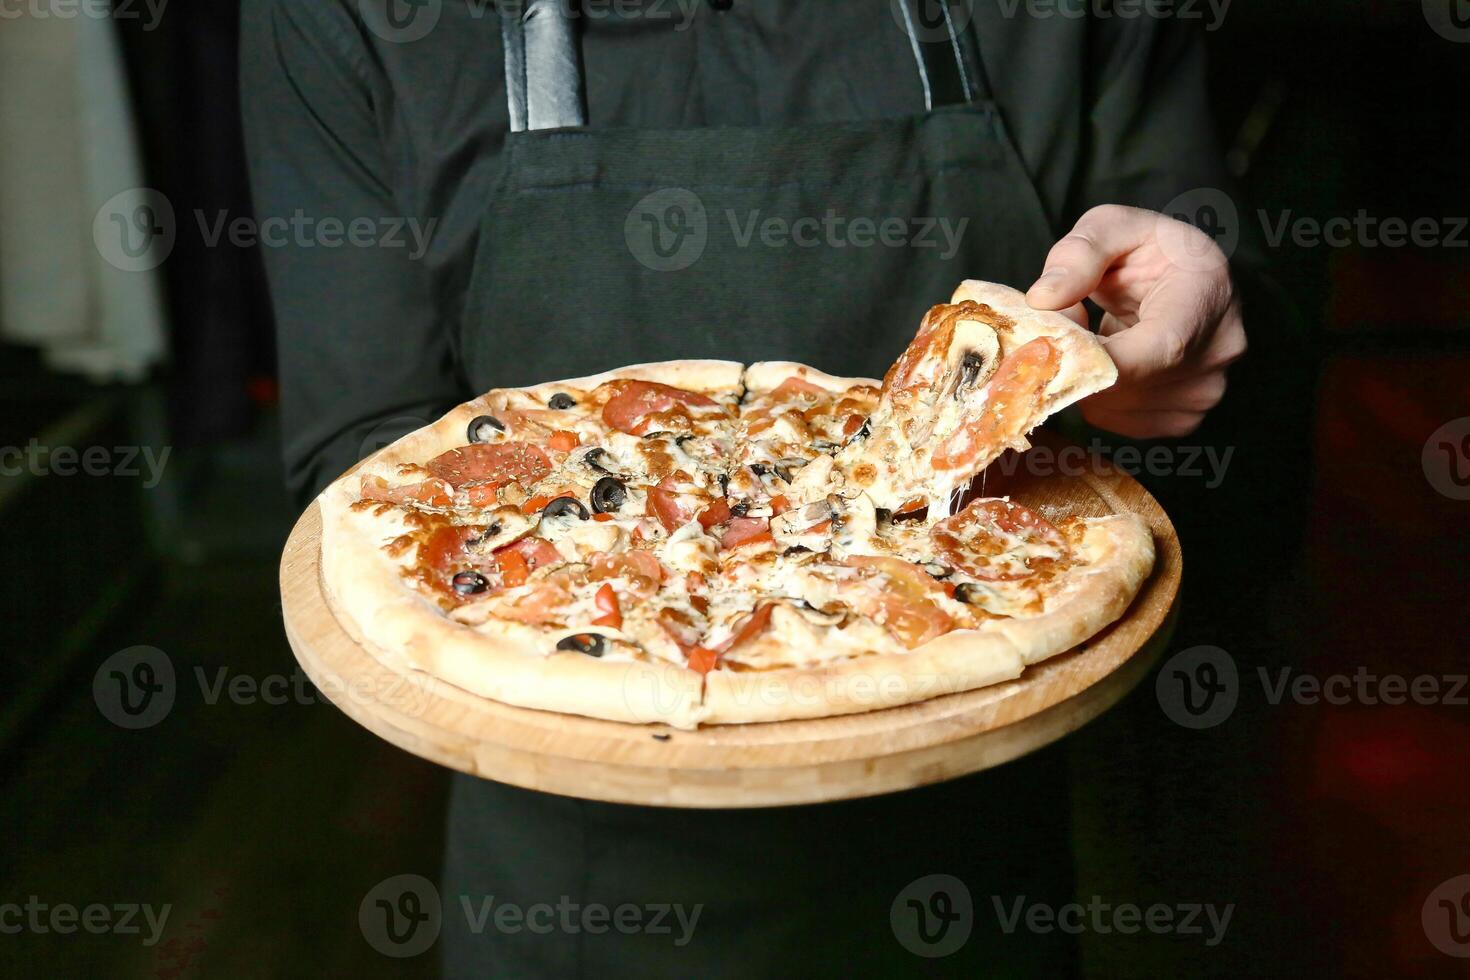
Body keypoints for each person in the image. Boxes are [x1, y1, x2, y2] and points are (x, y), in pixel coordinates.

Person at [243, 2, 1247, 974]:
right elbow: (368, 459)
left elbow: (1213, 390)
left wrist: (1180, 344)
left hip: (967, 863)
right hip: (568, 894)